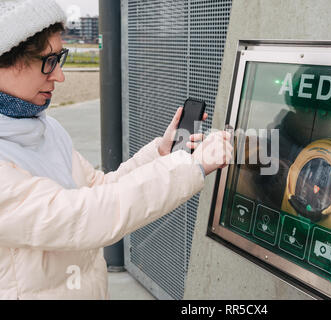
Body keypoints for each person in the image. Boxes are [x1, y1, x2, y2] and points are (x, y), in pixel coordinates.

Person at [0, 0, 233, 299]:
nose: (59, 76)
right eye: (48, 62)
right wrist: (191, 167)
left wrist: (160, 154)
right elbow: (85, 216)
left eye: (61, 59)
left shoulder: (43, 127)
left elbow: (98, 187)